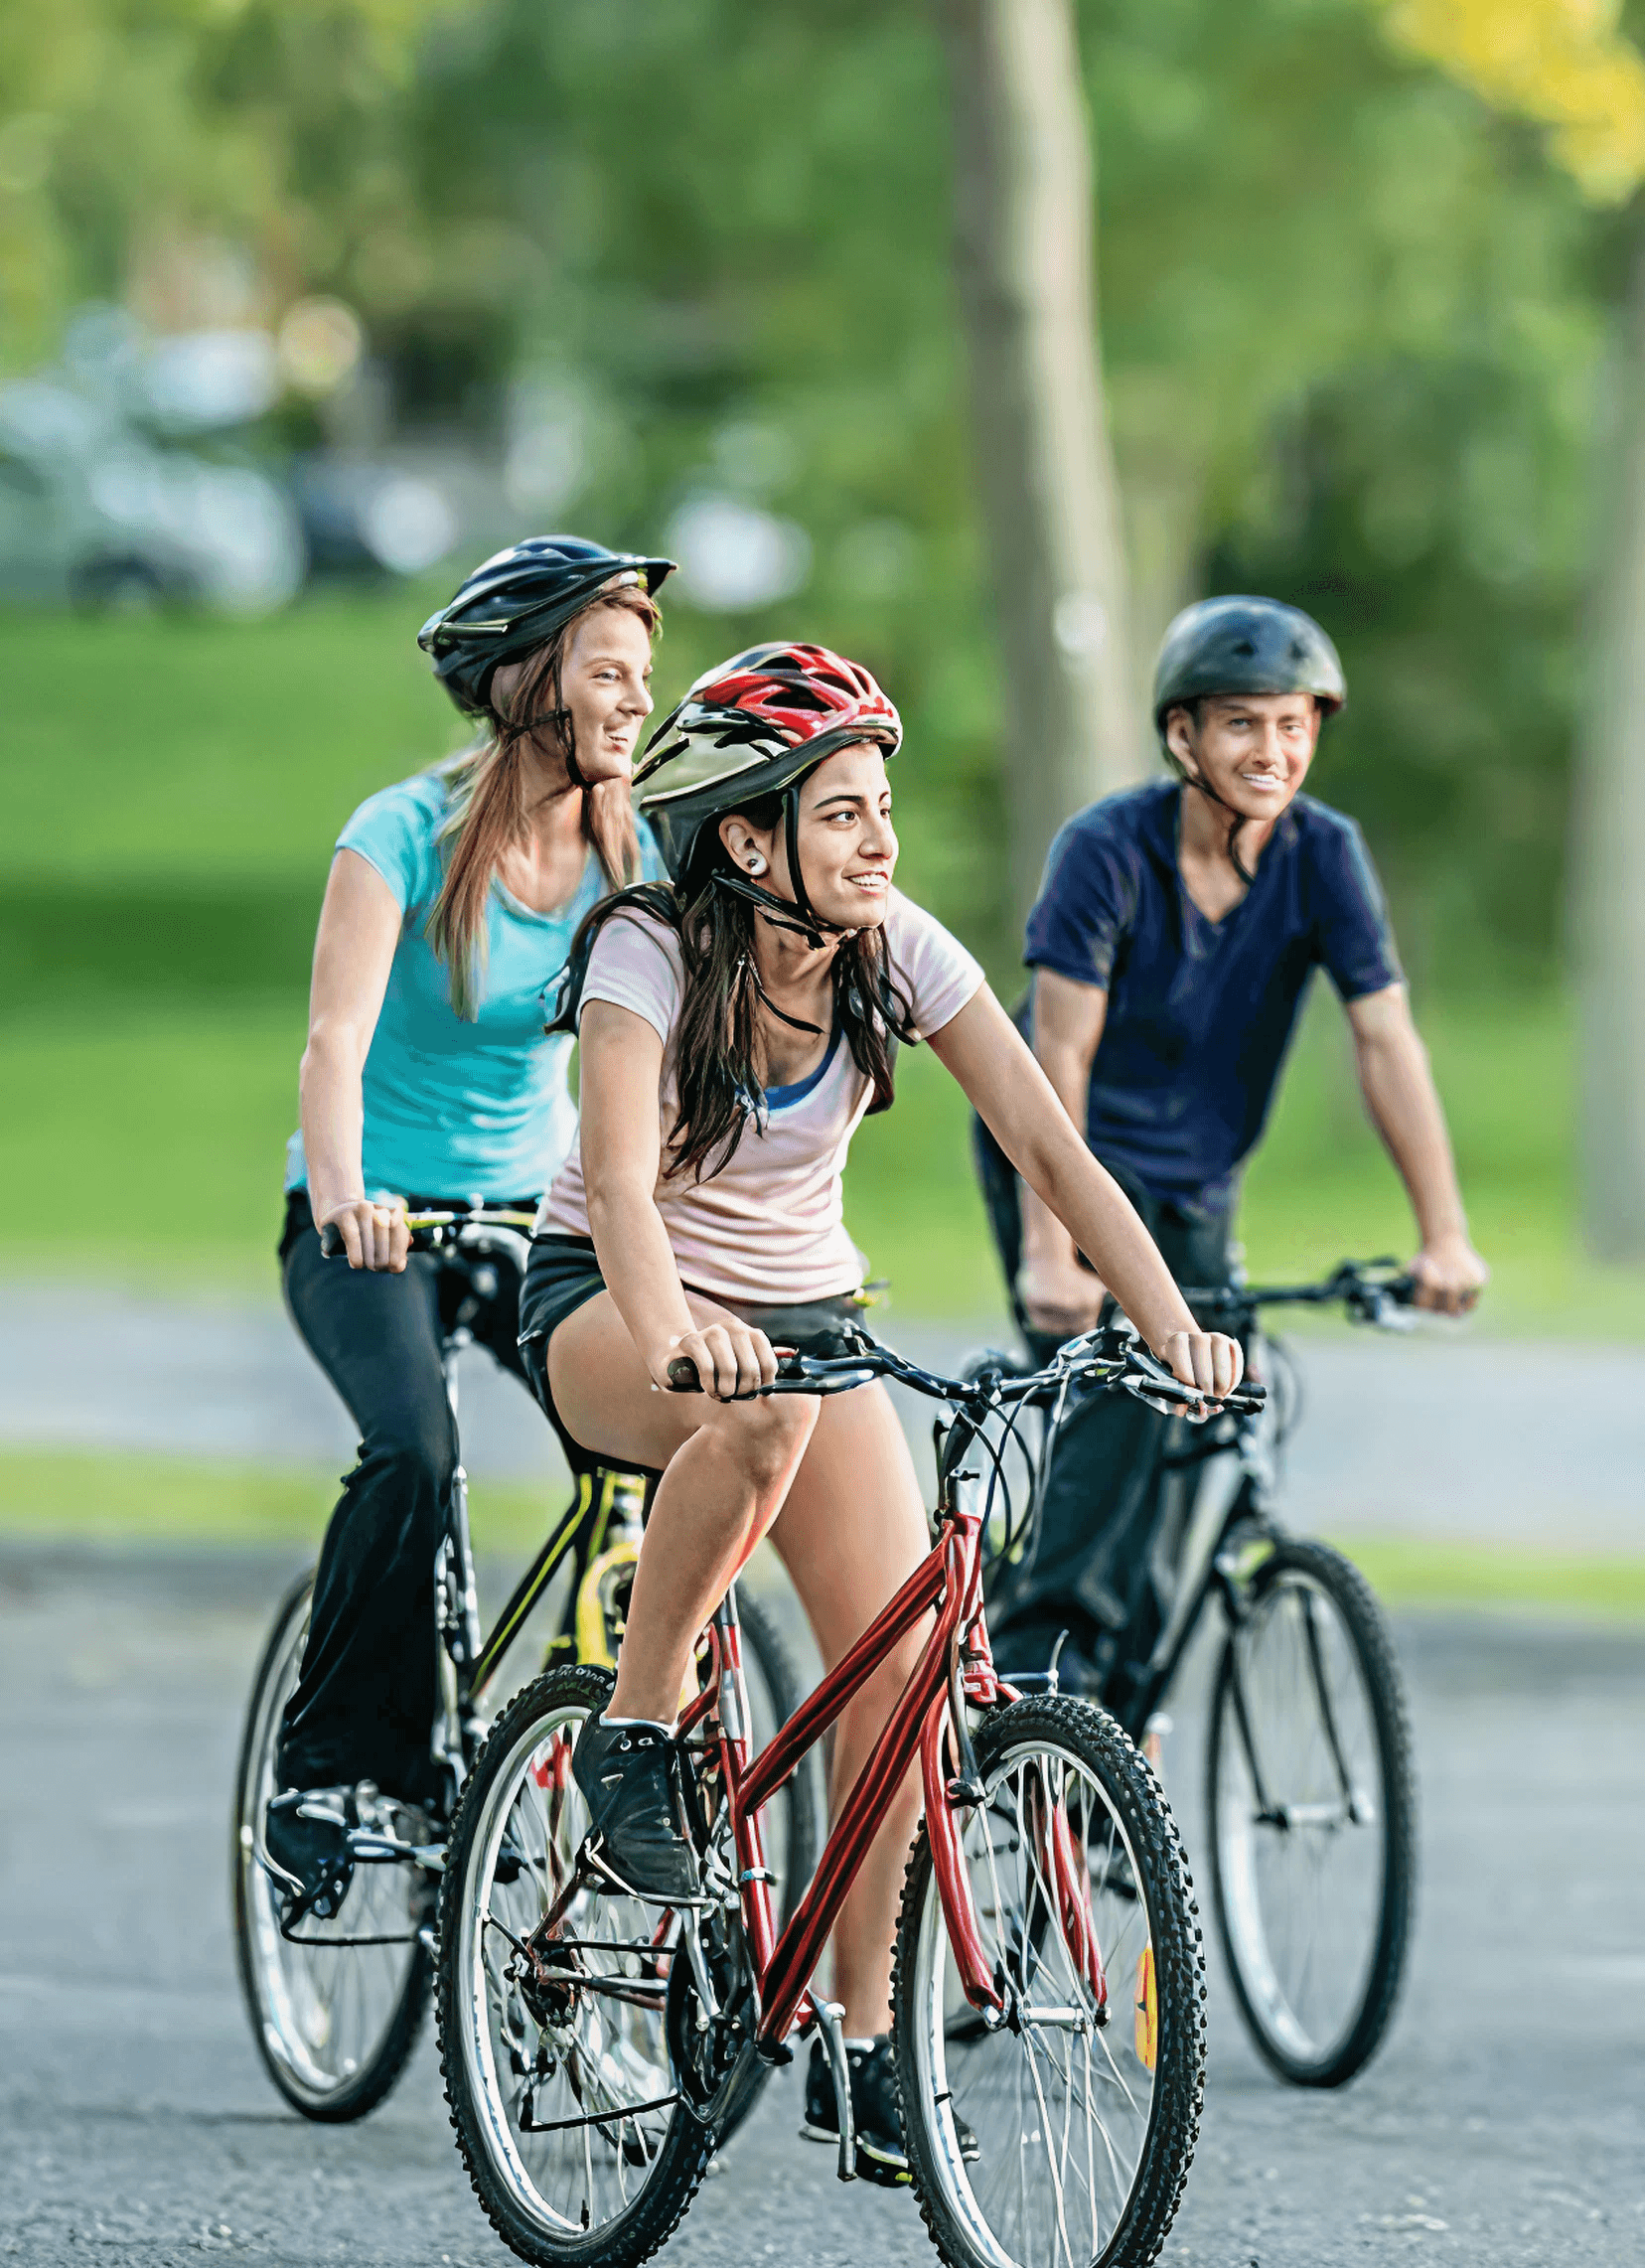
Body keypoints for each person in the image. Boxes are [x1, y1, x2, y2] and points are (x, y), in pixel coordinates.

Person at [519, 642, 1243, 2183]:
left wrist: (1168, 1320)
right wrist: (676, 1334)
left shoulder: (891, 947)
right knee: (755, 1423)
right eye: (841, 811)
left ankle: (862, 2045)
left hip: (808, 1327)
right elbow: (624, 1190)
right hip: (612, 1305)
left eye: (882, 807)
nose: (879, 838)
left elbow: (1051, 1144)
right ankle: (633, 1735)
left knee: (905, 1666)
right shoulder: (645, 951)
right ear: (746, 837)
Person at [975, 594, 1487, 1708]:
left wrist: (1443, 1233)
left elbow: (1385, 1040)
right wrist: (1051, 1252)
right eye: (1244, 723)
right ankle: (1033, 1659)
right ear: (1183, 735)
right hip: (1066, 1155)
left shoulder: (1323, 856)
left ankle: (1119, 1718)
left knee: (1206, 1404)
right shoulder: (1106, 850)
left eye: (1295, 725)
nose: (1274, 750)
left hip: (1197, 1181)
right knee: (1127, 1390)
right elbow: (1057, 1056)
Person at [266, 536, 667, 1907]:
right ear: (526, 684)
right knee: (413, 1453)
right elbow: (333, 1041)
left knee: (654, 1437)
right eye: (608, 672)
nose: (637, 698)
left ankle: (593, 1720)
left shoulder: (637, 848)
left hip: (534, 1218)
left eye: (643, 674)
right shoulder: (399, 834)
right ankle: (327, 1766)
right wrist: (343, 1197)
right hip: (373, 1215)